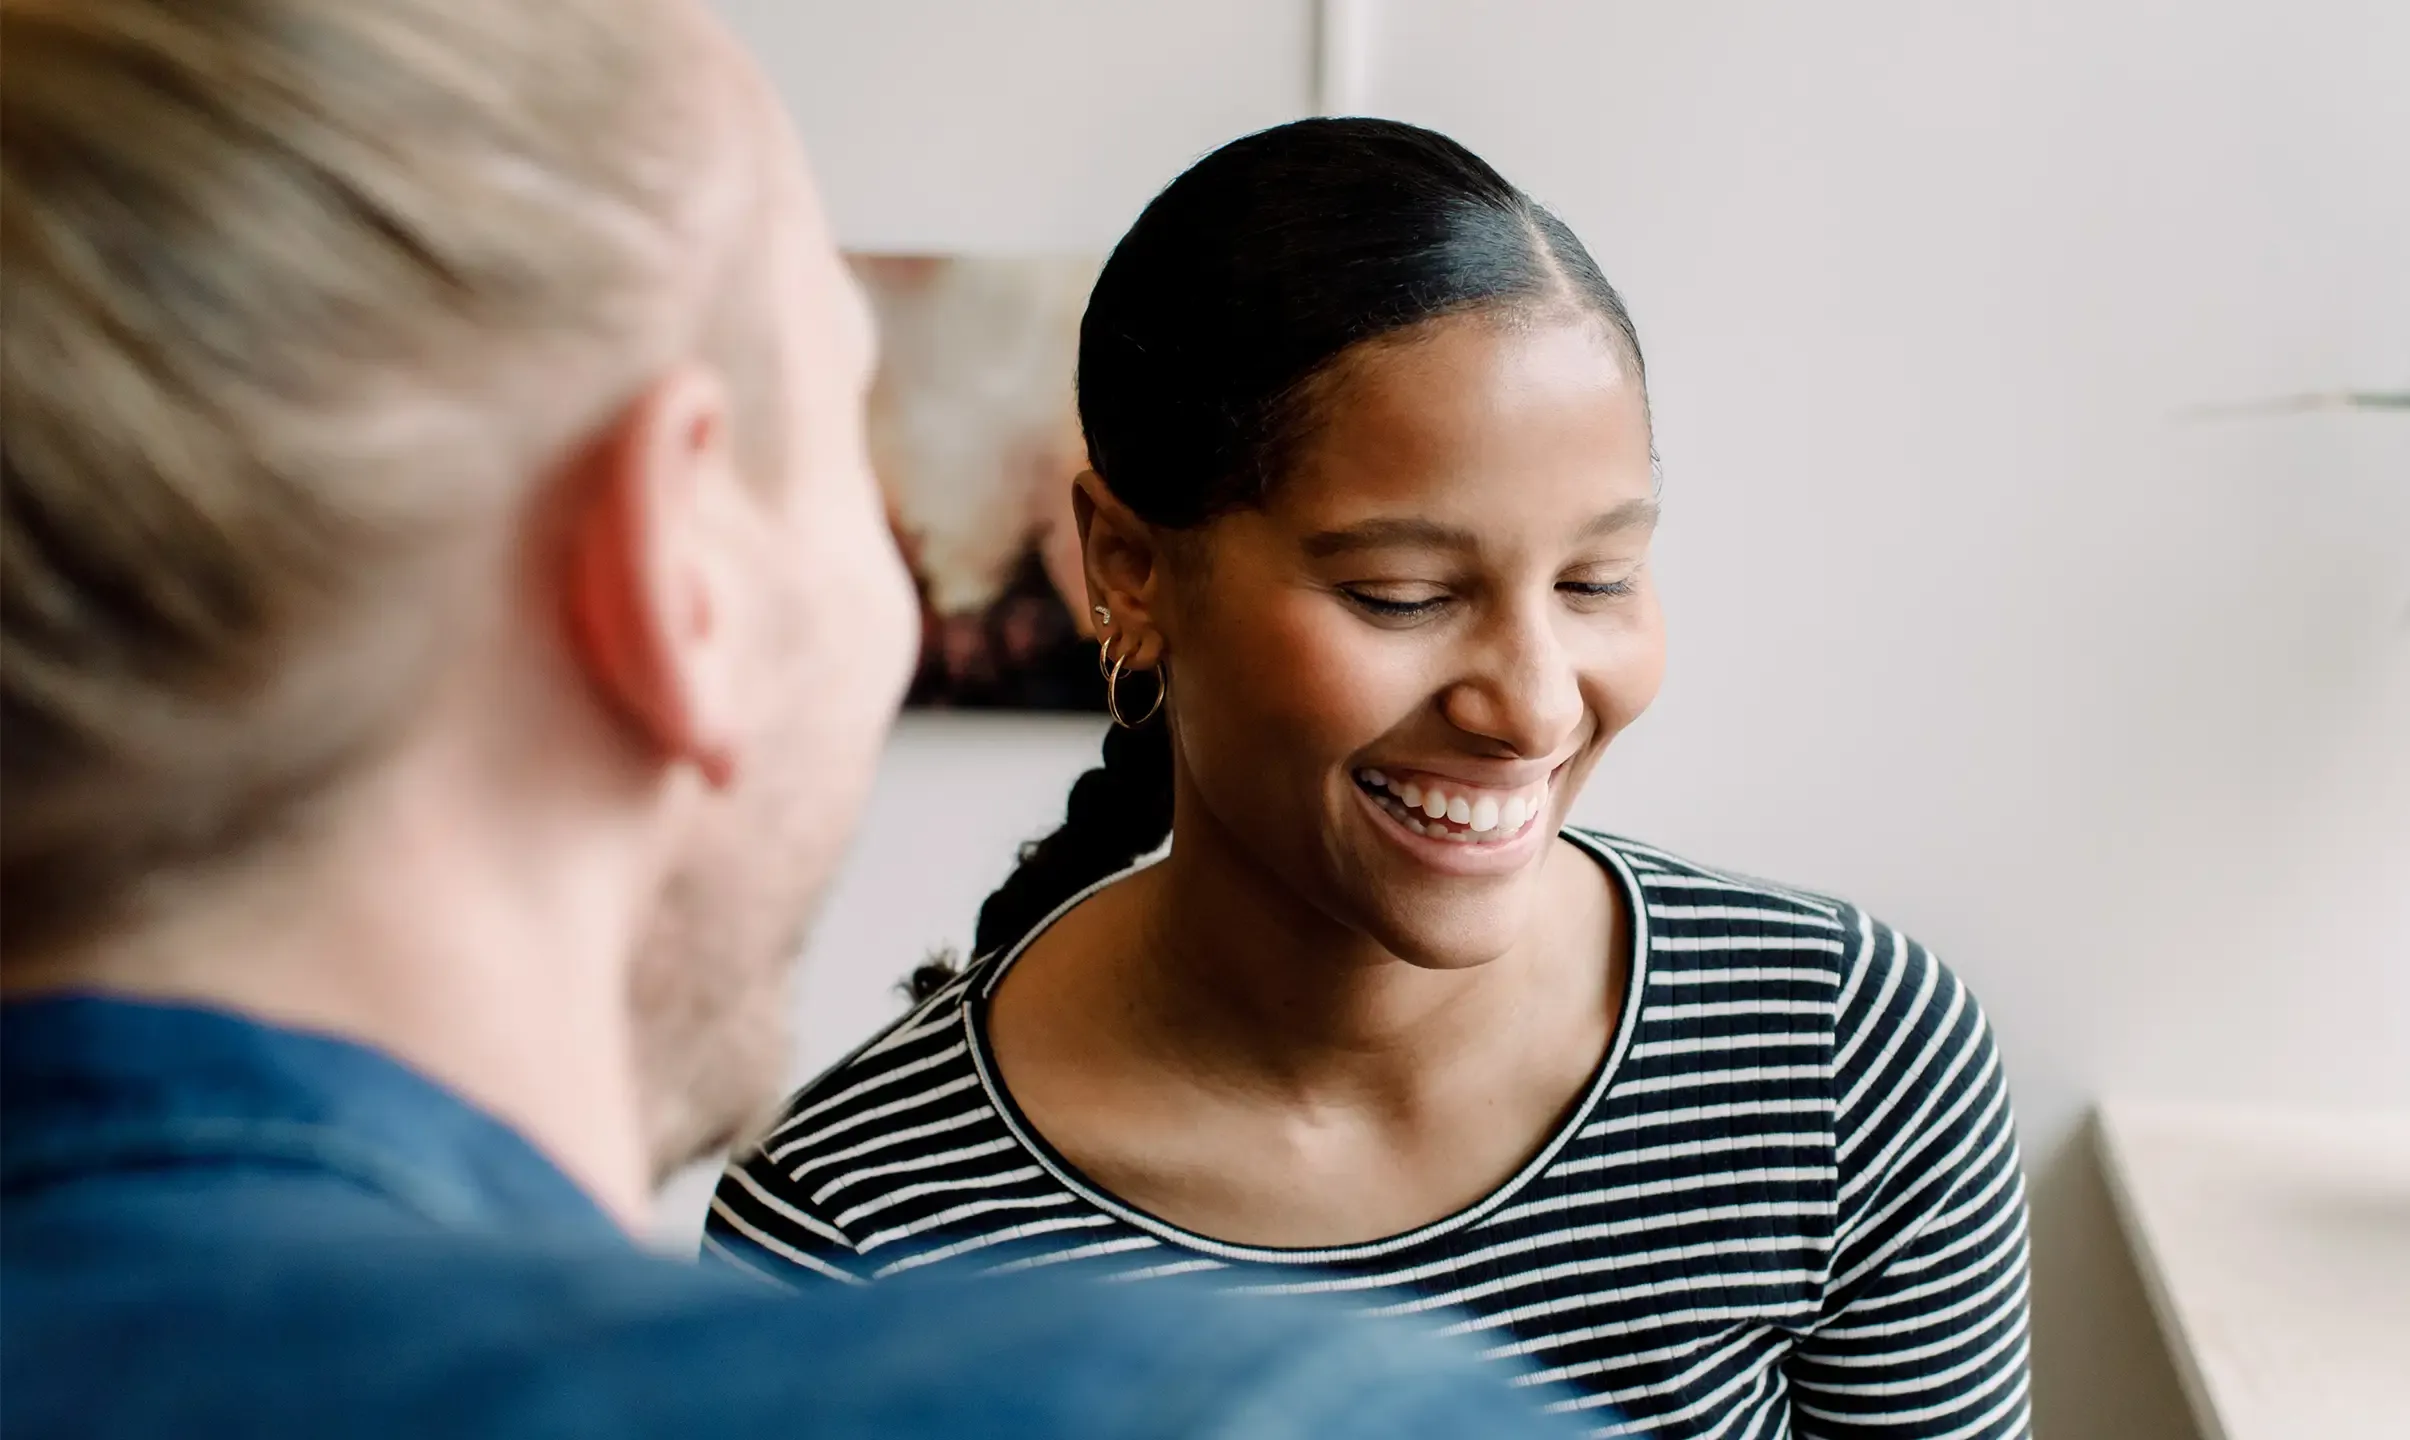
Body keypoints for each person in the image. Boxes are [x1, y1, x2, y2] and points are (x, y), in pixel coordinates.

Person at [0, 4, 1575, 1436]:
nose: (1531, 700)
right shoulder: (1232, 1415)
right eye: (843, 424)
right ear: (679, 563)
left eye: (1602, 574)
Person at [710, 119, 2033, 1438]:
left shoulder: (1842, 1060)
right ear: (1128, 568)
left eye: (1597, 581)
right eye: (1402, 594)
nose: (1533, 704)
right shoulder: (853, 1230)